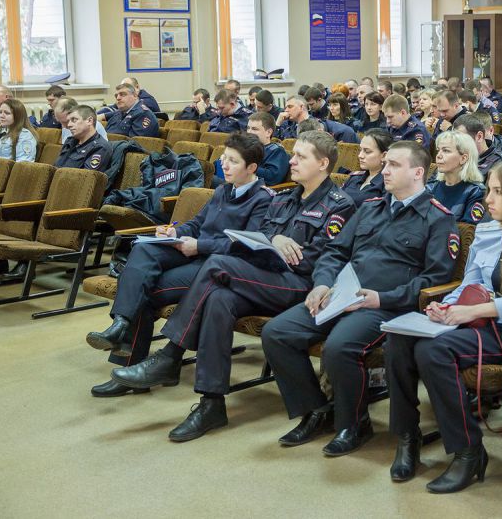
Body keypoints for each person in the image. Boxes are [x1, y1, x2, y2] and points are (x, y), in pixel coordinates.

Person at [109, 132, 356, 439]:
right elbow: (258, 239)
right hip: (264, 276)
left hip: (300, 285)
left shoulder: (340, 204)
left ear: (322, 164)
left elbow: (319, 259)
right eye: (294, 154)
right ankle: (211, 404)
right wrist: (275, 240)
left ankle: (171, 355)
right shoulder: (285, 198)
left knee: (216, 265)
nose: (291, 161)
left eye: (301, 157)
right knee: (218, 300)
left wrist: (273, 248)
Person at [260, 141, 458, 457]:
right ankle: (317, 410)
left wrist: (383, 298)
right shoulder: (371, 207)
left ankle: (353, 423)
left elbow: (435, 280)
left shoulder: (437, 218)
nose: (385, 169)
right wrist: (322, 284)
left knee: (340, 348)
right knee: (277, 333)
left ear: (418, 172)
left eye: (394, 164)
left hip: (386, 305)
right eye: (386, 163)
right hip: (341, 294)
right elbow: (335, 251)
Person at [385, 159, 502, 491]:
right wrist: (447, 306)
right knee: (399, 339)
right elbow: (469, 283)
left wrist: (479, 310)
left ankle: (468, 450)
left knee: (433, 351)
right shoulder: (486, 231)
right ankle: (407, 436)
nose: (488, 199)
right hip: (472, 320)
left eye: (497, 192)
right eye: (489, 190)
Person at [85, 133, 273, 397]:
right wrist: (174, 232)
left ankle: (130, 365)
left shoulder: (262, 199)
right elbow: (196, 224)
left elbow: (245, 246)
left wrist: (200, 245)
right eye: (223, 158)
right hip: (194, 251)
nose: (224, 165)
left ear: (251, 168)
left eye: (233, 161)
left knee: (144, 289)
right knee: (143, 249)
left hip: (216, 265)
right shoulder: (223, 190)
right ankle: (120, 323)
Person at [212, 112, 288, 187]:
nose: (249, 132)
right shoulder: (241, 146)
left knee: (206, 179)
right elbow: (216, 166)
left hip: (248, 188)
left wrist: (243, 165)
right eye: (248, 128)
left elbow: (272, 177)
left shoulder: (276, 151)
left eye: (255, 129)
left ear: (268, 132)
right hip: (227, 181)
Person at [427, 131, 486, 224]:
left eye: (446, 150)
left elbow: (467, 231)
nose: (438, 155)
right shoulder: (430, 188)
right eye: (438, 150)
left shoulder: (476, 192)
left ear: (463, 158)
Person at [343, 128, 391, 206]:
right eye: (360, 150)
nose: (360, 156)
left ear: (384, 155)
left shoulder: (388, 183)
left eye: (367, 151)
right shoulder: (354, 177)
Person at [55, 105, 112, 171]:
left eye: (74, 120)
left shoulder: (100, 147)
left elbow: (85, 178)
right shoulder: (70, 141)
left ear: (89, 121)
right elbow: (56, 167)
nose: (69, 125)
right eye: (69, 121)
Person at [453, 113, 502, 179]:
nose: (456, 144)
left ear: (479, 137)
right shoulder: (455, 155)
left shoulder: (498, 162)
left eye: (461, 139)